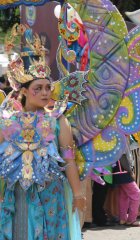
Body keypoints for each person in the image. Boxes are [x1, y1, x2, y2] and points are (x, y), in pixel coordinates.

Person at [0, 29, 84, 239]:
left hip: (51, 194)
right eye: (39, 88)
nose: (46, 92)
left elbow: (69, 159)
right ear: (24, 91)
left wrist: (78, 192)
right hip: (17, 193)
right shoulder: (8, 121)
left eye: (48, 87)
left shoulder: (58, 120)